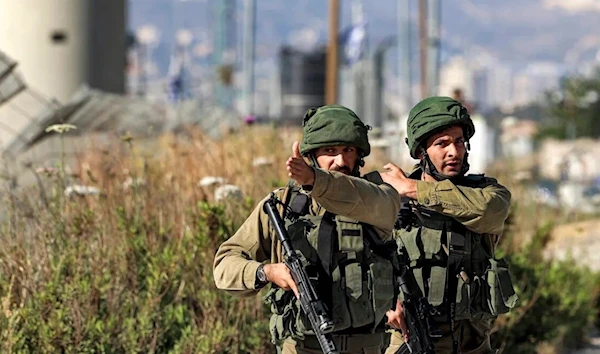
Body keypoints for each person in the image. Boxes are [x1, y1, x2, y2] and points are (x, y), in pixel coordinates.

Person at [286, 96, 518, 354]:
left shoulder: (486, 192)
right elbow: (354, 252)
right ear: (421, 152)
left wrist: (412, 188)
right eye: (442, 144)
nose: (454, 151)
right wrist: (386, 303)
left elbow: (490, 211)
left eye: (459, 142)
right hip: (406, 338)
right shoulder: (388, 196)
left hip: (472, 341)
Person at [213, 104, 401, 354]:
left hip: (367, 347)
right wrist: (266, 272)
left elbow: (362, 199)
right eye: (330, 151)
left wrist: (316, 180)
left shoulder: (379, 197)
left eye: (348, 150)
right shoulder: (283, 206)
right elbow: (225, 266)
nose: (341, 161)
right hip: (302, 346)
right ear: (312, 155)